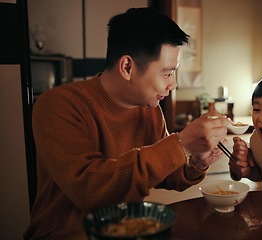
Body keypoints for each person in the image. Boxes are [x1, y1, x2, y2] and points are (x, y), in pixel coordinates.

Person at [24, 8, 230, 239]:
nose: (172, 84)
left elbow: (164, 173)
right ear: (127, 67)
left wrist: (197, 161)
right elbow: (91, 191)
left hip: (126, 231)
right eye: (167, 73)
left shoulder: (149, 110)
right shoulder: (58, 105)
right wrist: (180, 143)